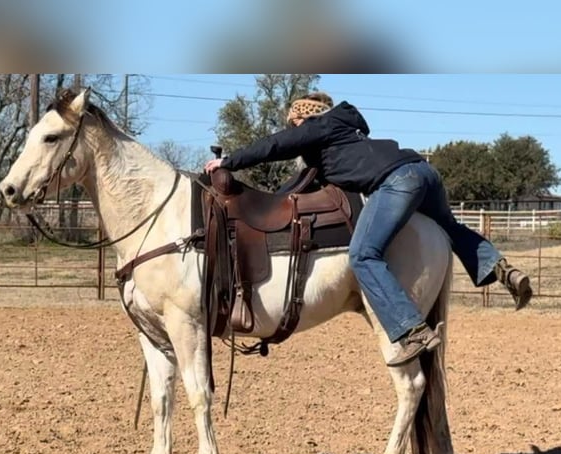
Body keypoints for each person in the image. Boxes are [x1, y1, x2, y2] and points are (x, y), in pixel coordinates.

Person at [204, 92, 532, 367]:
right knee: (449, 226)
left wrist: (229, 162)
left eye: (295, 126)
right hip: (422, 171)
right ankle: (502, 268)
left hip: (395, 181)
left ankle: (412, 329)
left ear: (303, 121)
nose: (296, 133)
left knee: (363, 255)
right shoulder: (342, 138)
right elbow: (296, 187)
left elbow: (278, 145)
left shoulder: (318, 126)